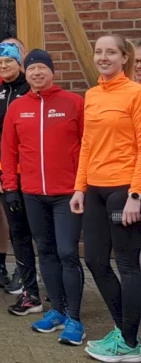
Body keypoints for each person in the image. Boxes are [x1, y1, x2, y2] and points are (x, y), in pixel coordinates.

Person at [1, 49, 87, 346]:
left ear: (52, 71)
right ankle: (57, 312)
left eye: (42, 68)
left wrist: (82, 186)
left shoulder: (73, 103)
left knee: (67, 252)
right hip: (33, 194)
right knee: (46, 252)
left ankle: (75, 319)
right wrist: (10, 186)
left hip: (67, 194)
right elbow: (9, 151)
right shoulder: (18, 107)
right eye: (32, 68)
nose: (37, 73)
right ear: (26, 73)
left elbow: (87, 146)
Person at [71, 34, 141, 361]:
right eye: (99, 52)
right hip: (95, 191)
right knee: (95, 261)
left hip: (123, 191)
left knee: (127, 265)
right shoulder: (92, 95)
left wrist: (136, 195)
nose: (103, 57)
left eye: (110, 52)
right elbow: (87, 144)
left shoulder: (136, 93)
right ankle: (122, 331)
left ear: (124, 58)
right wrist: (79, 187)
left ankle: (128, 342)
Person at [0, 39, 41, 313]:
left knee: (41, 232)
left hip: (34, 172)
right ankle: (26, 280)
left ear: (20, 62)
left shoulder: (31, 87)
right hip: (7, 175)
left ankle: (47, 282)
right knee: (18, 232)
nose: (4, 66)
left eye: (8, 61)